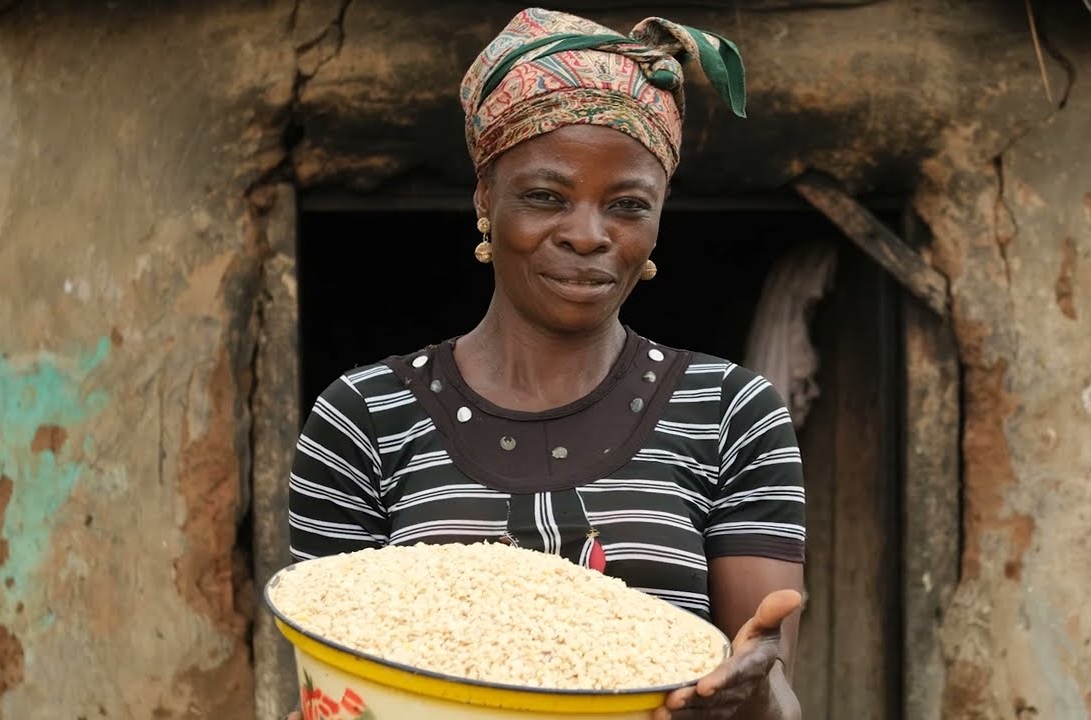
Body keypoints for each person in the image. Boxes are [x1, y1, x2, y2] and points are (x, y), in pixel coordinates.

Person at [285, 8, 806, 720]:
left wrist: (751, 696)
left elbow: (770, 686)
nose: (589, 235)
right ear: (484, 200)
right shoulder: (364, 419)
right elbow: (329, 680)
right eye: (544, 197)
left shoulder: (731, 413)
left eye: (627, 205)